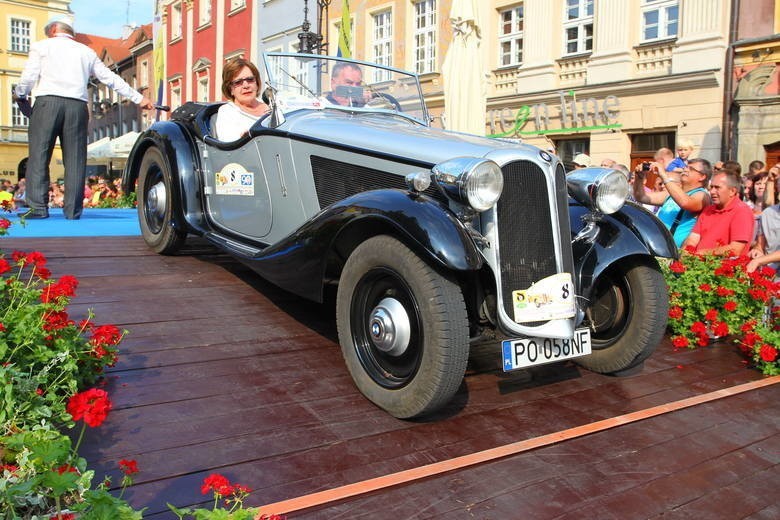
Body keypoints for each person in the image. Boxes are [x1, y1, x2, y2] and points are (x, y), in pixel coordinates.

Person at [13, 15, 153, 220]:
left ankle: (38, 209)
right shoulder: (86, 51)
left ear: (52, 30)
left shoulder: (42, 46)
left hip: (47, 103)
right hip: (77, 106)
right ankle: (73, 211)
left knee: (39, 156)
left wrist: (21, 93)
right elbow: (110, 78)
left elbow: (28, 76)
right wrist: (139, 98)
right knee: (76, 159)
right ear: (71, 33)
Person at [633, 158, 711, 247]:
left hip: (676, 253)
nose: (685, 169)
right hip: (658, 247)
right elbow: (641, 197)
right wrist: (639, 177)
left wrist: (664, 175)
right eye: (686, 167)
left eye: (691, 169)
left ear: (702, 177)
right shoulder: (670, 194)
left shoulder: (702, 195)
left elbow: (685, 203)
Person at [682, 171, 754, 256]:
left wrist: (701, 254)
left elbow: (735, 249)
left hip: (721, 266)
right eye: (711, 187)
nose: (712, 191)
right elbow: (692, 239)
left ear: (732, 191)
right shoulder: (708, 210)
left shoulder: (742, 211)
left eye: (717, 187)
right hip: (697, 265)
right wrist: (685, 253)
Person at [214, 58, 269, 142]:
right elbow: (229, 145)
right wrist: (244, 139)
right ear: (230, 89)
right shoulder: (227, 112)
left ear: (257, 83)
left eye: (250, 79)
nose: (246, 85)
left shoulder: (272, 105)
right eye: (238, 82)